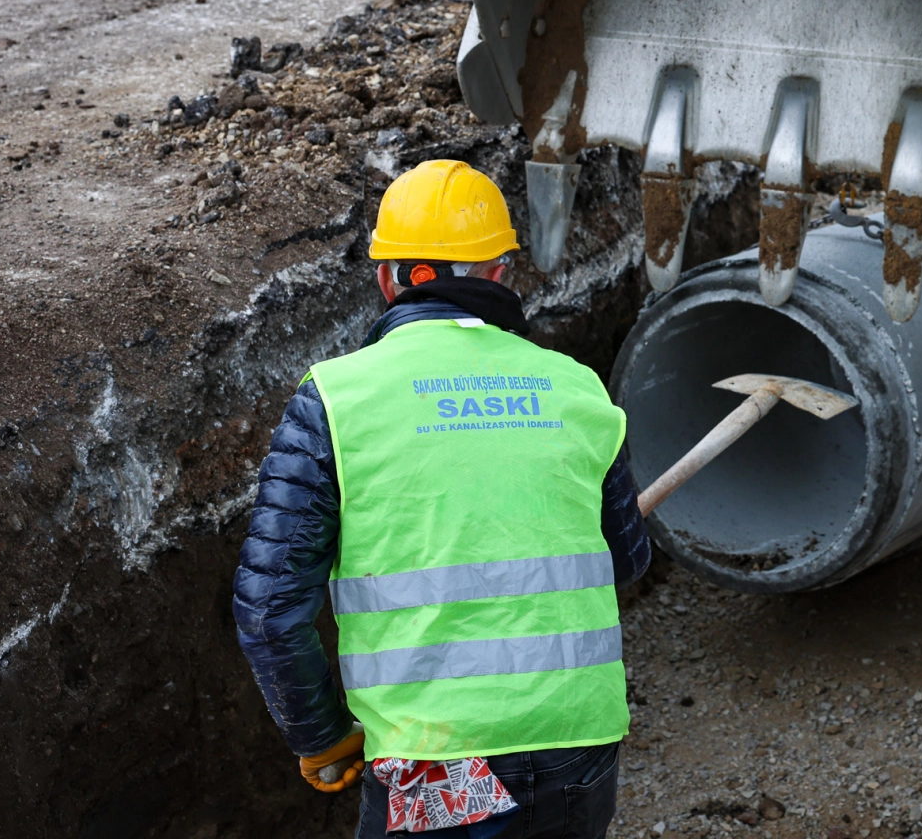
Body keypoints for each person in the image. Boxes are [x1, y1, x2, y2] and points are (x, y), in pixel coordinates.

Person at [234, 159, 649, 838]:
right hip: (575, 739)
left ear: (391, 277)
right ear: (498, 273)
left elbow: (270, 611)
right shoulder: (575, 387)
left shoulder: (338, 400)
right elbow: (626, 562)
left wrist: (321, 736)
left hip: (438, 753)